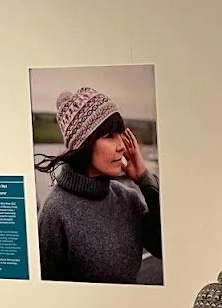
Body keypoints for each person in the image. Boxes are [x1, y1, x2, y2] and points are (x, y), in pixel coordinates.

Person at [35, 86, 162, 284]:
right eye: (109, 136)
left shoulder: (128, 199)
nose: (121, 145)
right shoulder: (55, 211)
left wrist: (145, 180)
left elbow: (164, 248)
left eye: (120, 134)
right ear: (84, 144)